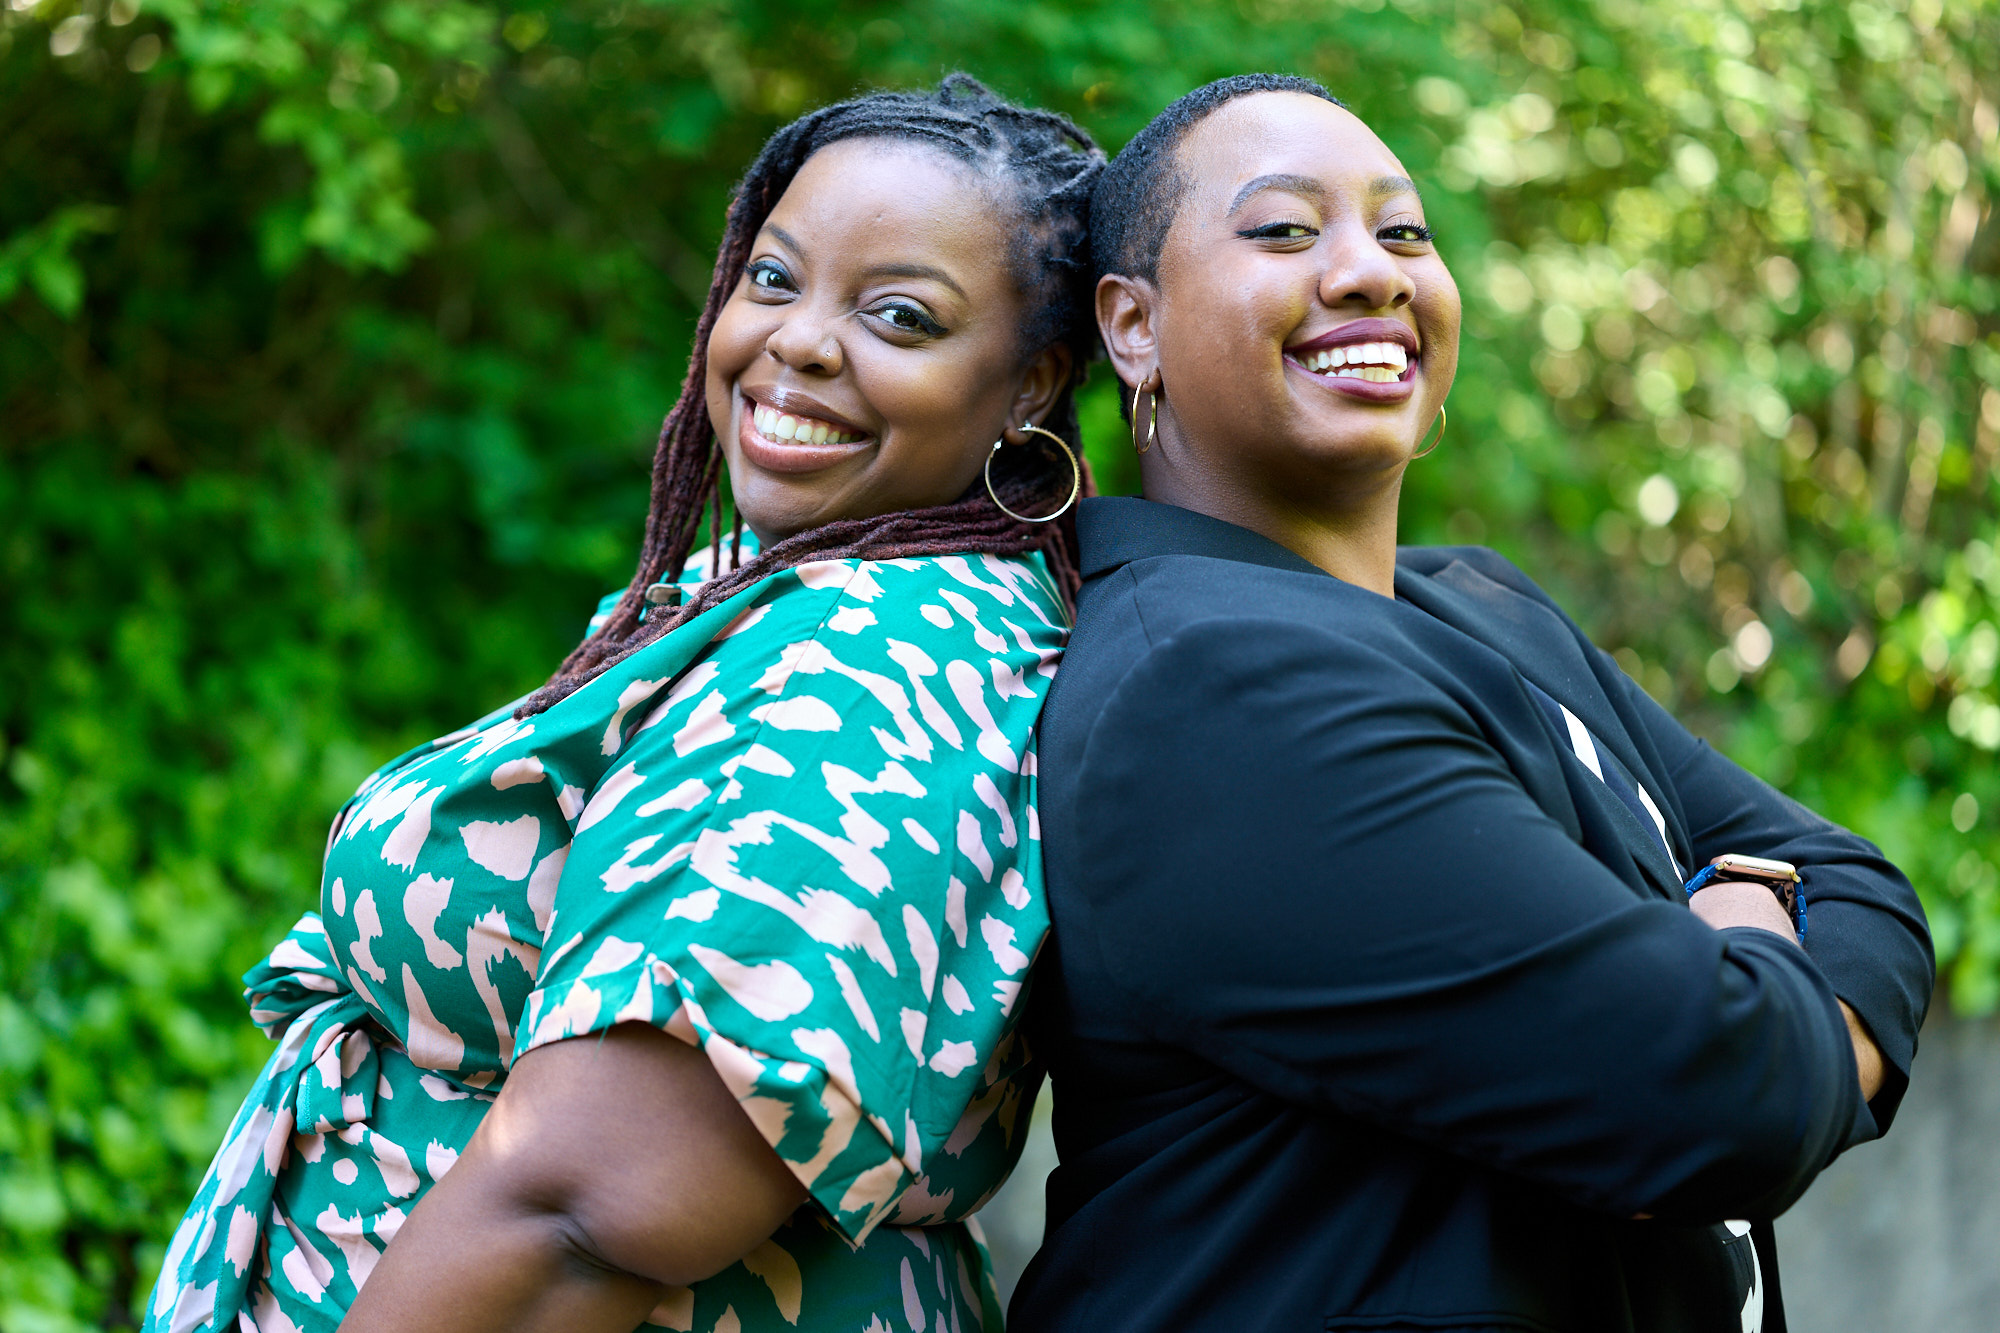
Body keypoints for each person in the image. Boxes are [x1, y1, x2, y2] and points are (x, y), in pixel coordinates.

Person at [144, 75, 1103, 1333]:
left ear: (1030, 383)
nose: (799, 341)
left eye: (899, 316)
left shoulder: (872, 655)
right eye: (773, 279)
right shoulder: (795, 578)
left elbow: (595, 1207)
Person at [1011, 74, 1933, 1333]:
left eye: (1402, 233)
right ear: (1131, 325)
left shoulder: (1478, 603)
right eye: (1282, 231)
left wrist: (1739, 952)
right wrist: (1748, 937)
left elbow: (1856, 878)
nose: (1369, 272)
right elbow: (1718, 1100)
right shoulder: (1211, 685)